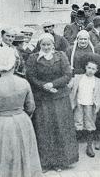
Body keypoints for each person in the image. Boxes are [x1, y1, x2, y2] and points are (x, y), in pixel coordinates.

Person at [0, 46, 41, 177]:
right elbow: (31, 107)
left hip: (1, 124)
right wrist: (23, 116)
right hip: (22, 121)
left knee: (2, 157)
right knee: (23, 154)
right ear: (15, 63)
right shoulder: (24, 83)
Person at [26, 33, 78, 172]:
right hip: (42, 98)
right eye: (44, 44)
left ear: (53, 45)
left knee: (60, 128)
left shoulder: (60, 56)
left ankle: (60, 162)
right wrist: (43, 85)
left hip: (59, 97)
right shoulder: (33, 58)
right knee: (44, 130)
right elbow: (30, 76)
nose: (46, 47)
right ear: (40, 45)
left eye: (49, 44)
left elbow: (67, 75)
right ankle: (45, 162)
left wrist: (53, 84)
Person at [68, 54, 100, 158]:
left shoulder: (98, 81)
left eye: (93, 69)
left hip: (90, 105)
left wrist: (99, 103)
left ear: (96, 70)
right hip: (78, 103)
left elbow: (99, 94)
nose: (90, 70)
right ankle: (74, 146)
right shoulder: (78, 78)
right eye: (89, 68)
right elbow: (70, 87)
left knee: (90, 124)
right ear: (85, 67)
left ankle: (89, 146)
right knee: (77, 122)